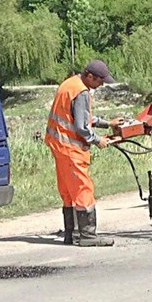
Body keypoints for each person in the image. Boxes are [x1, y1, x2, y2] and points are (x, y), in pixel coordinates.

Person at [45, 60, 124, 247]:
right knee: (83, 189)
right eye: (100, 81)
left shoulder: (70, 84)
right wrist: (98, 140)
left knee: (68, 192)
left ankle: (70, 233)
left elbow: (80, 116)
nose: (102, 84)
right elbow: (81, 126)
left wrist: (108, 124)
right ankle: (88, 235)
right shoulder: (81, 92)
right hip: (72, 149)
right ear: (90, 76)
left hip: (59, 146)